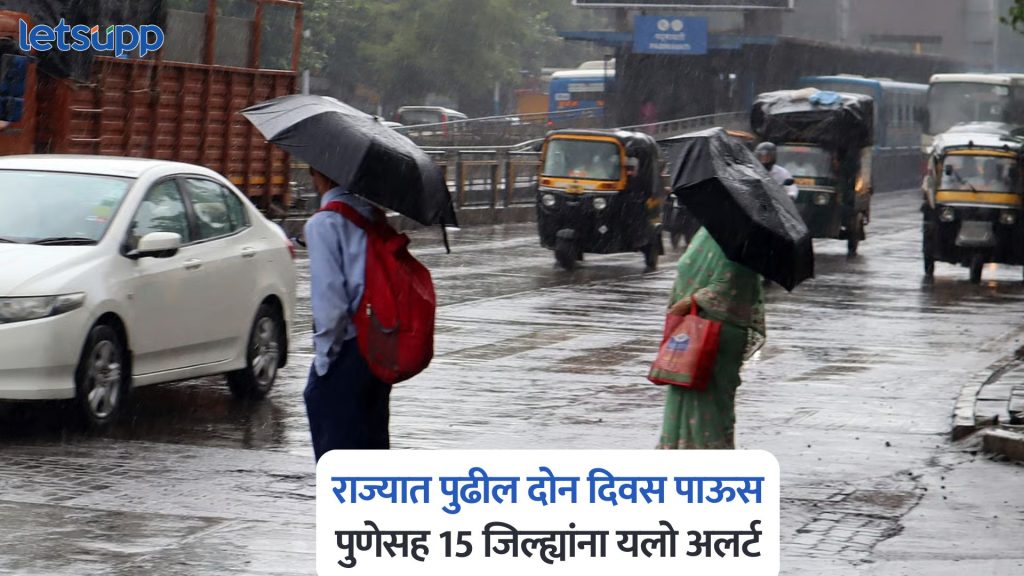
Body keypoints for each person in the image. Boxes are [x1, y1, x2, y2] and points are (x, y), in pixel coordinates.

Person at [303, 167, 391, 461]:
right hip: (378, 347)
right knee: (371, 444)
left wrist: (324, 361)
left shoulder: (324, 223)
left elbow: (331, 306)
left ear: (320, 173)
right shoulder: (371, 215)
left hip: (348, 350)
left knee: (336, 452)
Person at [657, 227, 766, 450]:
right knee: (692, 390)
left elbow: (728, 283)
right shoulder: (719, 235)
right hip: (698, 328)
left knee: (710, 401)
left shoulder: (736, 240)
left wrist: (689, 301)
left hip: (716, 332)